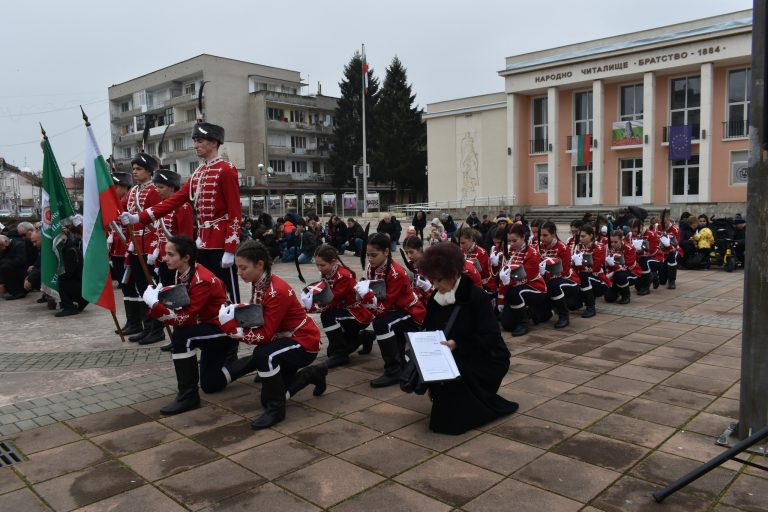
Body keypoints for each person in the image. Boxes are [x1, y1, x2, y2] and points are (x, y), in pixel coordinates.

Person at [120, 121, 242, 304]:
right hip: (203, 240)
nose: (196, 145)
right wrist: (139, 217)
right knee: (207, 289)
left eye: (200, 141)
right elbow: (172, 201)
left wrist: (231, 248)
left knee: (227, 290)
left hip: (220, 240)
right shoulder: (198, 173)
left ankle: (234, 326)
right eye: (195, 141)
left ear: (214, 142)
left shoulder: (226, 169)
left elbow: (235, 211)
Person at [219, 240, 326, 429]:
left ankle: (277, 411)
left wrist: (233, 330)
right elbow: (262, 319)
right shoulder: (260, 281)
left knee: (264, 355)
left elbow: (266, 335)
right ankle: (311, 374)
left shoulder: (275, 290)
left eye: (243, 268)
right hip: (286, 340)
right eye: (238, 268)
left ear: (259, 264)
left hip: (303, 342)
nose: (239, 273)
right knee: (267, 396)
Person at [415, 242, 519, 435]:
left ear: (454, 273)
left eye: (439, 280)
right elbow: (430, 330)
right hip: (451, 356)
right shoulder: (436, 299)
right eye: (433, 280)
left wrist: (459, 344)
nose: (435, 286)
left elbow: (490, 338)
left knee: (450, 422)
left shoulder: (475, 297)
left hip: (485, 357)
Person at [141, 236, 234, 415]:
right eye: (165, 254)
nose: (165, 258)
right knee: (211, 384)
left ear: (186, 257)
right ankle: (251, 362)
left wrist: (154, 305)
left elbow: (184, 318)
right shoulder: (183, 272)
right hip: (208, 328)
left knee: (182, 335)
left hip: (222, 330)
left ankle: (188, 395)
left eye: (170, 254)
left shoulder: (201, 279)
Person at [358, 233, 426, 387]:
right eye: (368, 255)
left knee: (382, 323)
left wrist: (366, 298)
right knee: (383, 322)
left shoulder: (397, 273)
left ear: (386, 252)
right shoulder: (372, 266)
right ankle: (402, 362)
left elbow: (383, 308)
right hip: (394, 311)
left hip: (411, 312)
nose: (370, 259)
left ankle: (393, 370)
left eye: (374, 255)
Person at [301, 244, 375, 368]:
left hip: (356, 314)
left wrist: (313, 307)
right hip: (342, 312)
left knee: (327, 316)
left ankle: (341, 355)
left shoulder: (344, 276)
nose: (319, 268)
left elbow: (331, 300)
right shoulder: (328, 272)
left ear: (333, 261)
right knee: (331, 351)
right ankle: (365, 337)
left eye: (322, 265)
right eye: (317, 265)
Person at [122, 151, 165, 344]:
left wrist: (156, 246)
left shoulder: (154, 190)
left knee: (152, 288)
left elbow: (160, 219)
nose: (135, 172)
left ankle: (157, 328)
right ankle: (148, 327)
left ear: (149, 171)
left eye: (139, 169)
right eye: (134, 169)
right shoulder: (133, 191)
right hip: (135, 244)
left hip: (150, 244)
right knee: (141, 288)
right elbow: (120, 208)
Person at [499, 223, 548, 336]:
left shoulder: (532, 253)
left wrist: (507, 282)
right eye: (509, 241)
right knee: (507, 325)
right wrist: (500, 300)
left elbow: (524, 277)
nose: (511, 244)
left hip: (535, 288)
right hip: (513, 289)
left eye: (514, 241)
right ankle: (528, 311)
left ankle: (523, 323)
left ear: (523, 237)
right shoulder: (509, 251)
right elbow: (503, 276)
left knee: (515, 292)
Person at [150, 169, 193, 287]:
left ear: (172, 188)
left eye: (161, 187)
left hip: (177, 259)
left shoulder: (183, 207)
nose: (157, 190)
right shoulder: (161, 207)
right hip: (163, 258)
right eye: (156, 187)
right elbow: (158, 234)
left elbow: (186, 237)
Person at [538, 221, 581, 328]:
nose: (542, 238)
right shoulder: (540, 247)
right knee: (540, 318)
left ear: (553, 234)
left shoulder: (562, 248)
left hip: (569, 281)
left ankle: (564, 315)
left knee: (554, 284)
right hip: (549, 282)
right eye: (540, 235)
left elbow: (564, 271)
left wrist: (545, 273)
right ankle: (553, 308)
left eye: (545, 235)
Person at [571, 225, 608, 317]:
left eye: (583, 236)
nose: (581, 239)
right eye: (580, 236)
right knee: (572, 305)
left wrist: (579, 265)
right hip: (582, 279)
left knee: (584, 275)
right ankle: (584, 298)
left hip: (599, 279)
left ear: (591, 235)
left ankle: (591, 307)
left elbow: (594, 268)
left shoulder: (598, 247)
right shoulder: (578, 247)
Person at [55, 218, 88, 317]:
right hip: (78, 282)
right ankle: (80, 301)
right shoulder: (70, 248)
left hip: (78, 283)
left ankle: (69, 307)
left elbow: (69, 272)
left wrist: (57, 275)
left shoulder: (70, 251)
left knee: (59, 282)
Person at [603, 230, 642, 304]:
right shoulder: (607, 248)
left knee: (620, 275)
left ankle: (626, 296)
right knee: (609, 298)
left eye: (615, 242)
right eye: (611, 242)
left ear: (621, 240)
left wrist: (613, 266)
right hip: (614, 274)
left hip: (632, 272)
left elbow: (626, 266)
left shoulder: (629, 248)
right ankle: (619, 289)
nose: (613, 244)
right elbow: (605, 265)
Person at [626, 218, 663, 294]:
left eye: (636, 231)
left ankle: (646, 287)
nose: (634, 233)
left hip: (656, 259)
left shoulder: (651, 234)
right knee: (638, 287)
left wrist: (641, 248)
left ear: (642, 226)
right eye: (632, 231)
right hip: (639, 259)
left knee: (643, 260)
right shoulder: (629, 236)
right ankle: (653, 275)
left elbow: (652, 252)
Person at [0, 234, 29, 299]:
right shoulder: (3, 248)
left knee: (5, 267)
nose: (1, 248)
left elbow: (21, 261)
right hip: (10, 272)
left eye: (1, 245)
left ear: (6, 241)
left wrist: (3, 261)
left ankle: (18, 293)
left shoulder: (19, 245)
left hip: (21, 272)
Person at [657, 209, 680, 289]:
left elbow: (675, 245)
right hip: (661, 253)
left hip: (672, 251)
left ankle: (672, 280)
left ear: (669, 218)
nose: (662, 223)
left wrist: (668, 244)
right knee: (662, 281)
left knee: (672, 255)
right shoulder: (657, 227)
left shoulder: (675, 229)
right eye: (661, 221)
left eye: (664, 221)